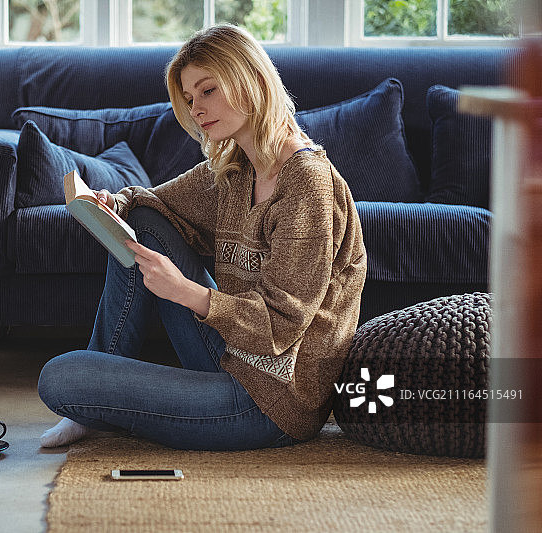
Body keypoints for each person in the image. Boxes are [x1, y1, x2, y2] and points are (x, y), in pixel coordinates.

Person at [37, 24, 367, 451]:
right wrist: (113, 202)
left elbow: (282, 327)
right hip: (230, 357)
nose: (196, 108)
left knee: (62, 377)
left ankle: (101, 403)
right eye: (190, 98)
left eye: (208, 91)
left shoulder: (307, 184)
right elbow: (156, 203)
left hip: (273, 401)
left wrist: (186, 292)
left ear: (249, 81)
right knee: (145, 220)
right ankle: (96, 404)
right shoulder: (236, 167)